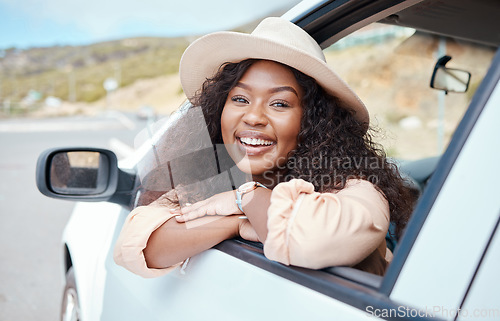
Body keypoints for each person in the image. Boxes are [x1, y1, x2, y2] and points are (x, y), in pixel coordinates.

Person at [113, 17, 415, 278]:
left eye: (279, 103)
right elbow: (137, 244)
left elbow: (310, 239)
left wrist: (247, 198)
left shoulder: (359, 190)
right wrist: (240, 222)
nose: (254, 117)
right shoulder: (214, 182)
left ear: (314, 121)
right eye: (240, 99)